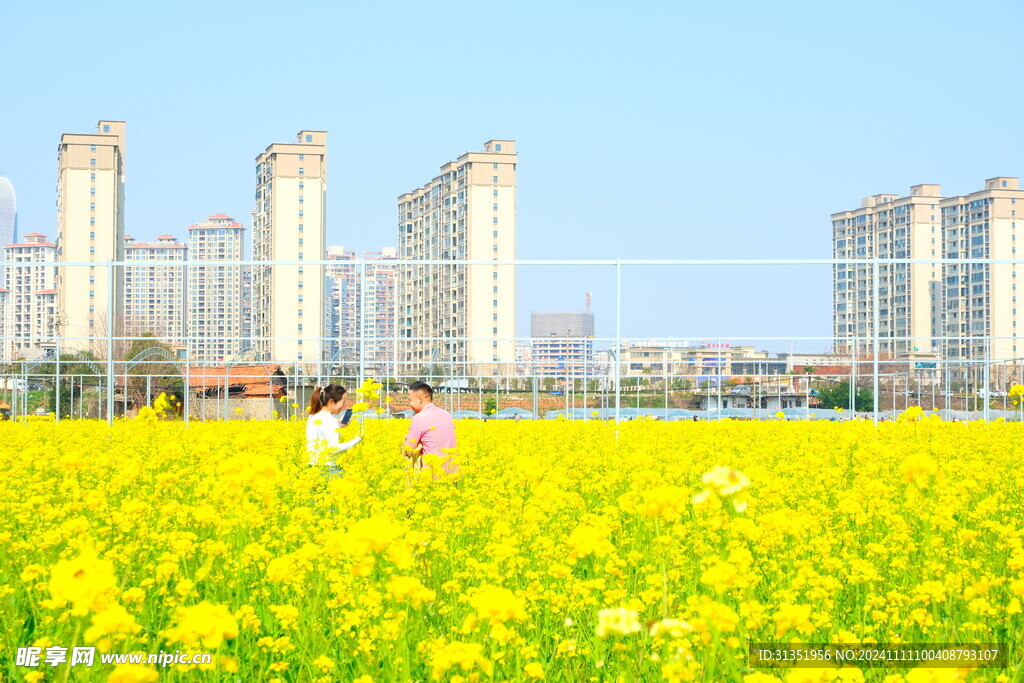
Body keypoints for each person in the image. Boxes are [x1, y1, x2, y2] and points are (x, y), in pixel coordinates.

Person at [403, 381, 458, 477]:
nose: (409, 404)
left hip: (432, 475)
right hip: (451, 473)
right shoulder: (446, 414)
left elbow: (409, 450)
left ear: (420, 399)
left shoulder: (419, 418)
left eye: (410, 400)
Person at [306, 384, 362, 478]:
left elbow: (319, 432)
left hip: (311, 468)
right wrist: (357, 440)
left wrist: (338, 425)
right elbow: (333, 449)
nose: (343, 406)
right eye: (342, 402)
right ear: (331, 402)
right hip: (328, 469)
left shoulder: (312, 417)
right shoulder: (330, 420)